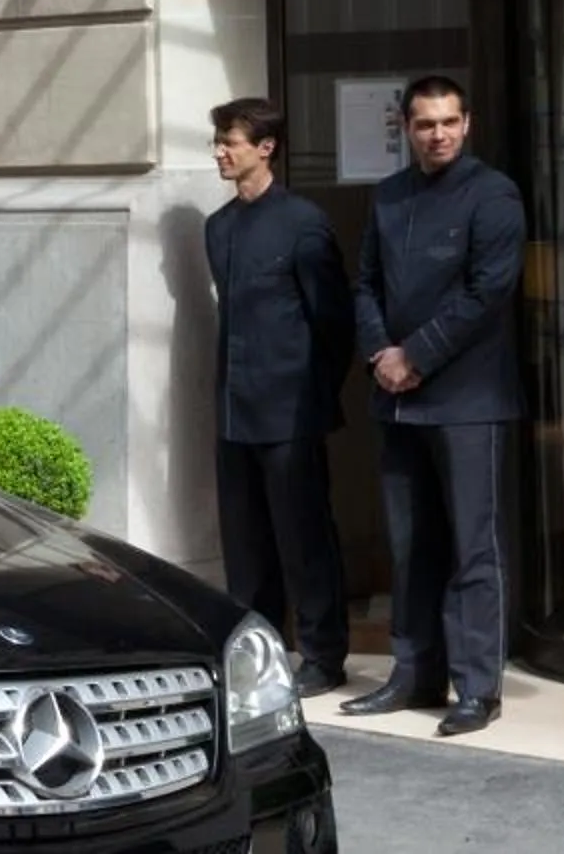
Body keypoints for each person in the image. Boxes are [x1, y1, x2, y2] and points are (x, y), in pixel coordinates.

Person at [342, 74, 526, 735]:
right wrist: (379, 354)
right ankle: (415, 674)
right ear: (406, 128)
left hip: (468, 399)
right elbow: (365, 285)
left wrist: (413, 355)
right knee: (410, 546)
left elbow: (487, 293)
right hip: (397, 400)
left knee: (473, 549)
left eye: (449, 122)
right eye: (425, 124)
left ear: (467, 124)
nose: (438, 134)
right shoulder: (389, 196)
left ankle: (477, 689)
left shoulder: (494, 194)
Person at [201, 96, 354, 696]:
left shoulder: (303, 223)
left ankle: (323, 655)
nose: (221, 151)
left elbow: (332, 323)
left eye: (231, 141)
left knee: (304, 540)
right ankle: (258, 656)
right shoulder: (217, 227)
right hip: (234, 413)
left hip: (291, 414)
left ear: (265, 148)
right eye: (218, 141)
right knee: (245, 548)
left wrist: (312, 399)